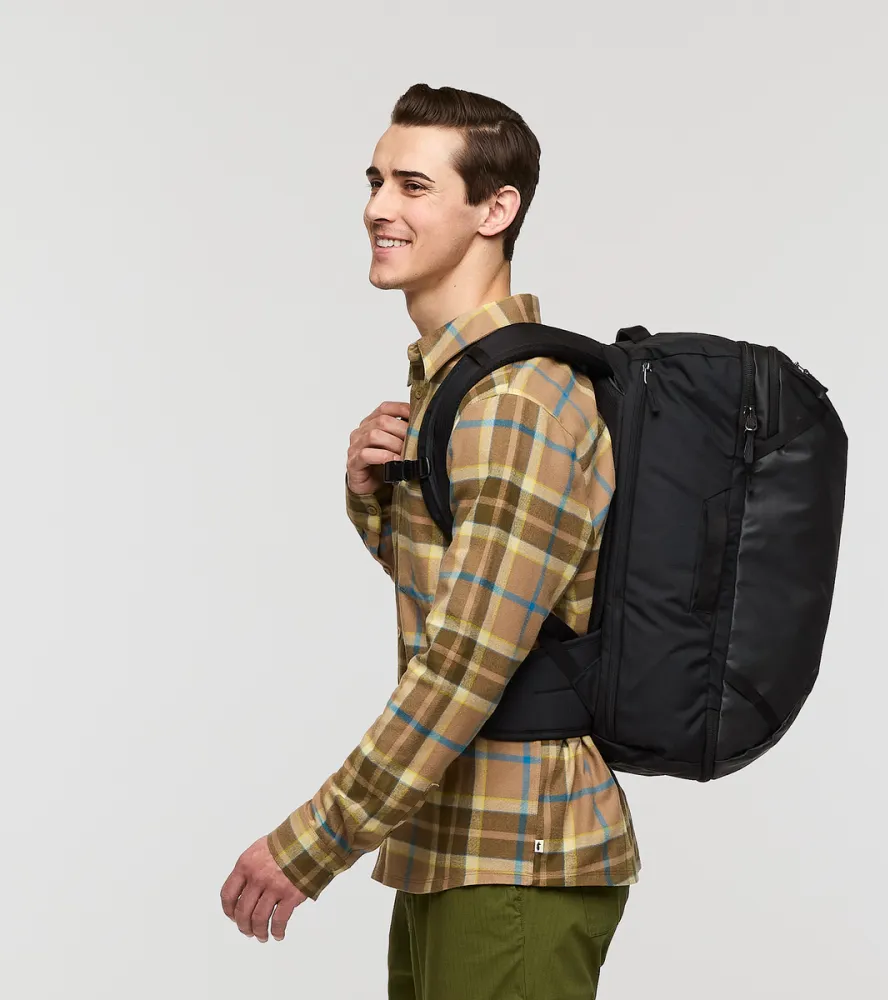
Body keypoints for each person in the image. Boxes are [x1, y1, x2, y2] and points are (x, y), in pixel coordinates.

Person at [220, 83, 641, 999]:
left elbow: (464, 662)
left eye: (413, 186)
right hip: (455, 844)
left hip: (518, 851)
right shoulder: (462, 390)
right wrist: (376, 501)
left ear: (496, 209)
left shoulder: (517, 401)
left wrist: (310, 845)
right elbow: (472, 603)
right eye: (376, 181)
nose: (378, 207)